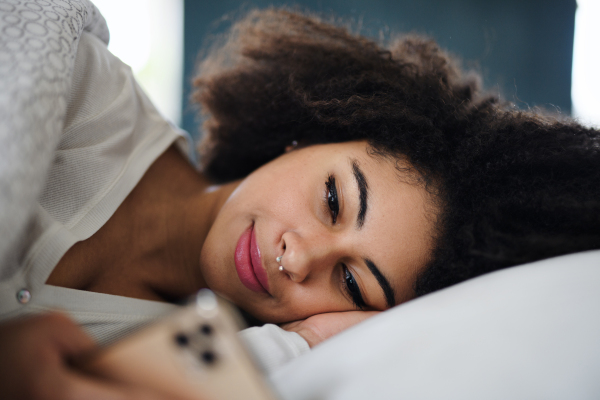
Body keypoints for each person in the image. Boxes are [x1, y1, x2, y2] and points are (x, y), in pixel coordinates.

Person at [1, 3, 599, 399]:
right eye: (334, 199)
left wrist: (303, 344)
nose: (299, 257)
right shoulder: (79, 86)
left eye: (353, 284)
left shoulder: (198, 361)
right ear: (310, 133)